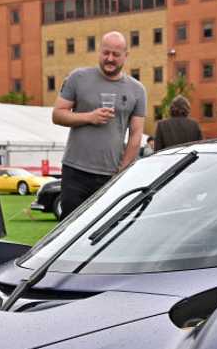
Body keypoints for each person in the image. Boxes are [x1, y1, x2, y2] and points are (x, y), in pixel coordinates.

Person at [52, 31, 147, 218]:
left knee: (105, 232)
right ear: (99, 51)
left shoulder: (137, 90)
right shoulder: (78, 78)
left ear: (126, 56)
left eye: (116, 54)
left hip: (111, 175)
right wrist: (89, 117)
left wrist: (123, 171)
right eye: (106, 53)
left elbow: (136, 134)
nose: (109, 58)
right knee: (70, 229)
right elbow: (57, 115)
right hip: (75, 171)